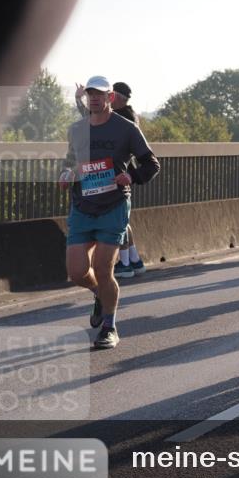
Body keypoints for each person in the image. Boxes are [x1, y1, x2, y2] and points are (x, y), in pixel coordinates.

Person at [59, 76, 160, 349]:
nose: (93, 98)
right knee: (77, 272)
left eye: (99, 94)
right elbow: (70, 160)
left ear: (110, 98)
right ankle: (98, 294)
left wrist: (132, 176)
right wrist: (66, 173)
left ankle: (109, 327)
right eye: (90, 94)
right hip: (82, 206)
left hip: (113, 205)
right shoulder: (77, 129)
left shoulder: (126, 129)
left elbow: (152, 164)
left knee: (104, 269)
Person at [76, 80, 147, 278]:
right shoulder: (126, 114)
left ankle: (124, 263)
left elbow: (89, 118)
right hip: (122, 174)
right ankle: (134, 260)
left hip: (119, 175)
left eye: (109, 96)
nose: (107, 101)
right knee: (124, 221)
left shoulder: (123, 119)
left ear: (117, 98)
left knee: (117, 220)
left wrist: (78, 99)